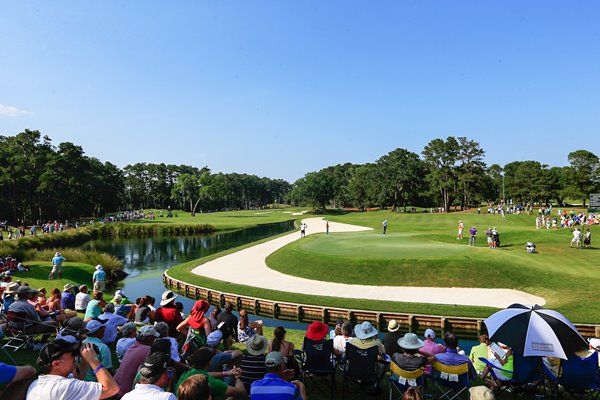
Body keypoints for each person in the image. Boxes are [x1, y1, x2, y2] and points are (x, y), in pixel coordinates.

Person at [26, 340, 119, 400]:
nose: (75, 357)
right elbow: (111, 389)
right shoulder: (64, 386)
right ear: (56, 364)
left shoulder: (37, 383)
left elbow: (78, 377)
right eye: (72, 355)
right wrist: (93, 360)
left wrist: (85, 360)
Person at [175, 347, 246, 397]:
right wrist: (237, 378)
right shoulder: (211, 382)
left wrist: (227, 373)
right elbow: (240, 391)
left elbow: (205, 374)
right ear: (209, 362)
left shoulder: (186, 374)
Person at [114, 325, 161, 397]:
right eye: (154, 337)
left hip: (116, 386)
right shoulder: (149, 350)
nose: (154, 340)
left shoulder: (132, 347)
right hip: (127, 391)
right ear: (149, 338)